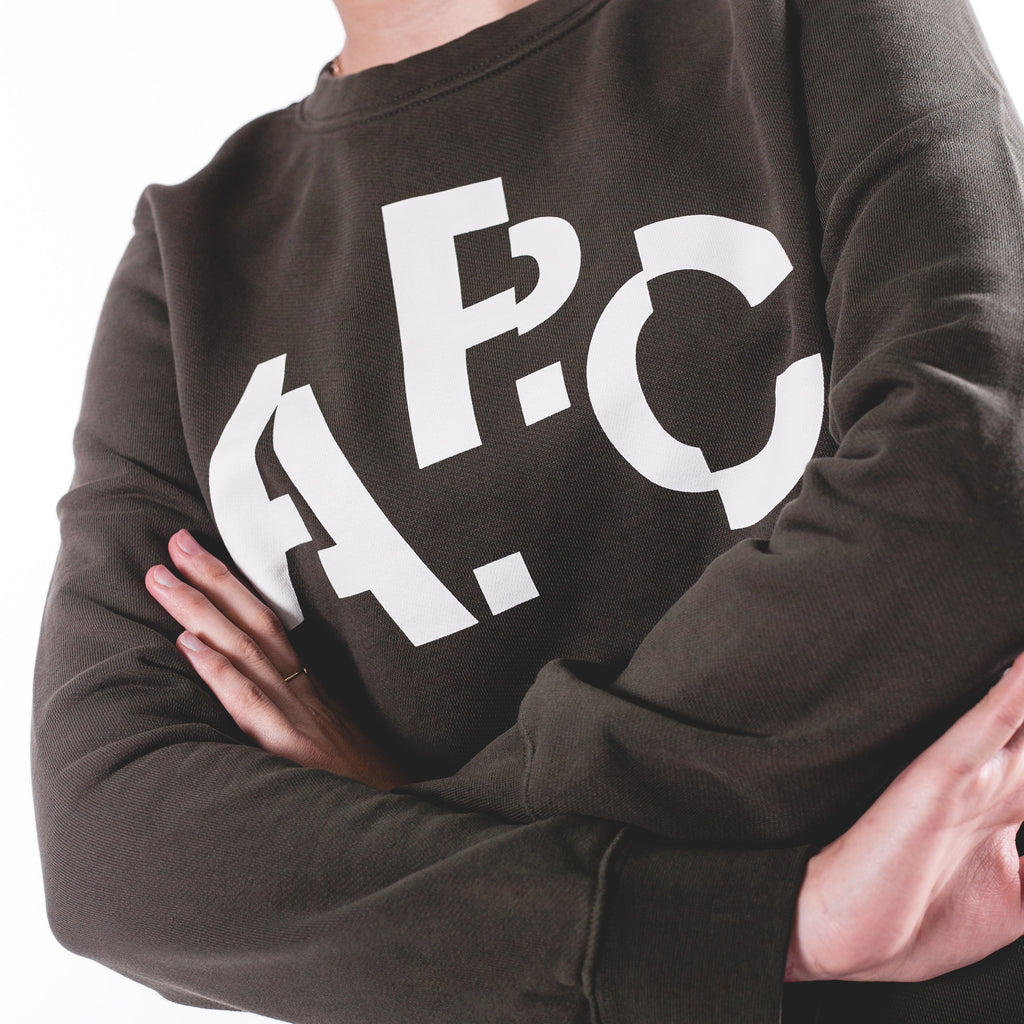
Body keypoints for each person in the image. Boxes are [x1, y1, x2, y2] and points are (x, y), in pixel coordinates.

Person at [31, 0, 1024, 1022]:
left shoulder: (798, 20)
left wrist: (408, 837)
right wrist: (778, 926)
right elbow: (112, 847)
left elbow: (972, 481)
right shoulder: (187, 264)